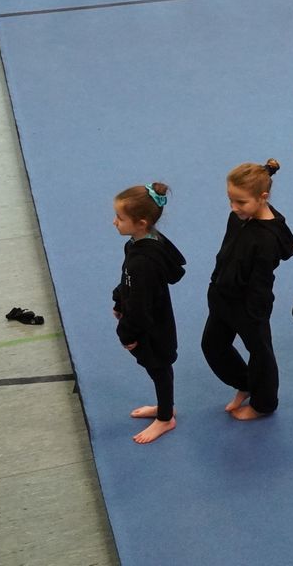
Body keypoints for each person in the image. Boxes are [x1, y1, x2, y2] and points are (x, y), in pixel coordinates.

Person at [202, 160, 293, 419]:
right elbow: (226, 253)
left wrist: (254, 314)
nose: (233, 207)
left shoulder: (267, 239)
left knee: (260, 353)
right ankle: (245, 384)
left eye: (240, 202)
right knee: (212, 346)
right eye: (230, 200)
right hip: (222, 296)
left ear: (262, 198)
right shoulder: (239, 217)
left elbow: (260, 282)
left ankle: (263, 404)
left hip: (248, 306)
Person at [111, 181, 186, 444]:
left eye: (120, 218)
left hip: (152, 327)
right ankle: (165, 407)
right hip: (148, 319)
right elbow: (127, 282)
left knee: (159, 368)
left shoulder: (143, 261)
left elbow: (140, 306)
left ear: (141, 223)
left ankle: (166, 417)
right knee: (158, 369)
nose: (114, 222)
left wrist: (127, 334)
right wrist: (119, 300)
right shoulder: (140, 243)